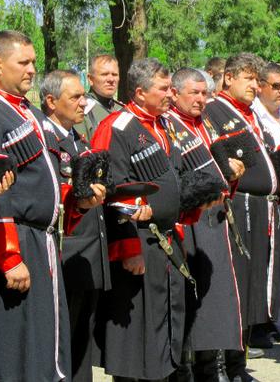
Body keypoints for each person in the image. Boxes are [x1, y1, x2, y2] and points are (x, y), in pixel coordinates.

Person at [0, 31, 102, 381]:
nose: (31, 70)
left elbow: (47, 181)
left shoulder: (30, 113)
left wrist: (78, 202)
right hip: (14, 246)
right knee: (16, 351)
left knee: (44, 346)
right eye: (23, 62)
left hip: (44, 242)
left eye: (33, 62)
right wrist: (9, 256)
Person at [90, 58, 187, 381]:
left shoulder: (161, 124)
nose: (170, 94)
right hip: (137, 242)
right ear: (141, 92)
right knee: (136, 336)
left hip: (165, 239)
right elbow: (111, 191)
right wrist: (127, 245)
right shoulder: (118, 127)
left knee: (162, 322)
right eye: (163, 88)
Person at [203, 53, 280, 378]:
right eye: (249, 79)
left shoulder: (249, 113)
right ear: (228, 78)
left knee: (252, 290)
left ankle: (239, 363)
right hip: (236, 209)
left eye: (256, 79)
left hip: (261, 208)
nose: (255, 85)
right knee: (233, 288)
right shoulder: (215, 110)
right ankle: (220, 364)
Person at [167, 67, 246, 381]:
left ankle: (212, 365)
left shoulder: (206, 124)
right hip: (190, 222)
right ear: (176, 93)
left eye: (204, 93)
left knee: (215, 298)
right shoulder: (173, 125)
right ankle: (188, 368)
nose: (201, 99)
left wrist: (231, 174)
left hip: (215, 219)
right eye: (194, 93)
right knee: (191, 297)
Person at [41, 69, 111, 382]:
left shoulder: (78, 139)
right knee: (62, 336)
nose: (84, 103)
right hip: (66, 251)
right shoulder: (45, 139)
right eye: (76, 97)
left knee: (81, 335)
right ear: (51, 101)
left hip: (89, 251)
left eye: (84, 96)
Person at [251, 62, 280, 343]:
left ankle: (276, 320)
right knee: (263, 264)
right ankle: (257, 326)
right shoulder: (254, 115)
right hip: (266, 201)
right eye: (276, 86)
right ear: (261, 86)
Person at [74, 54, 123, 142]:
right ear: (90, 79)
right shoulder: (82, 110)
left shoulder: (122, 109)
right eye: (104, 74)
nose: (111, 79)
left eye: (114, 74)